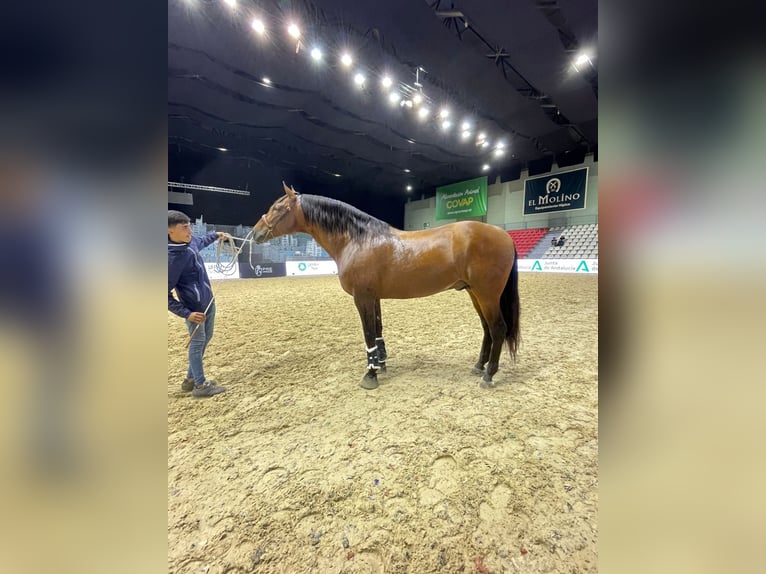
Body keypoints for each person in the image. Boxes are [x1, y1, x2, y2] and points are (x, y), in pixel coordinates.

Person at [168, 210, 230, 397]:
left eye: (189, 226)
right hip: (194, 309)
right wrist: (187, 313)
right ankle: (200, 386)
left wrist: (216, 235)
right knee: (197, 344)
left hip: (208, 302)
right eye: (184, 227)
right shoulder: (171, 259)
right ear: (170, 231)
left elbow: (202, 241)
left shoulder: (191, 242)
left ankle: (190, 380)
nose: (190, 231)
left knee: (205, 338)